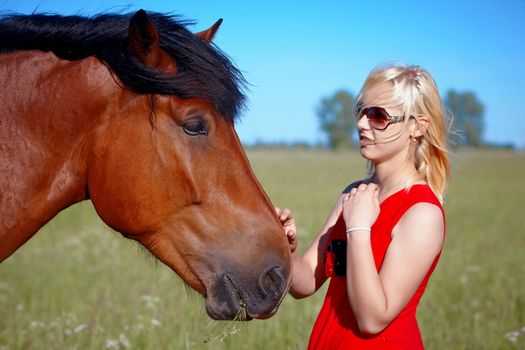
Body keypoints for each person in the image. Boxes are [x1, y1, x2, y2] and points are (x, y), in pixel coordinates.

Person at [277, 63, 450, 349]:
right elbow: (305, 282)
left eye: (378, 116)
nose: (361, 124)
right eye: (361, 112)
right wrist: (283, 246)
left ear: (417, 127)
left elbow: (372, 319)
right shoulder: (354, 194)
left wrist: (358, 227)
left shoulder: (422, 212)